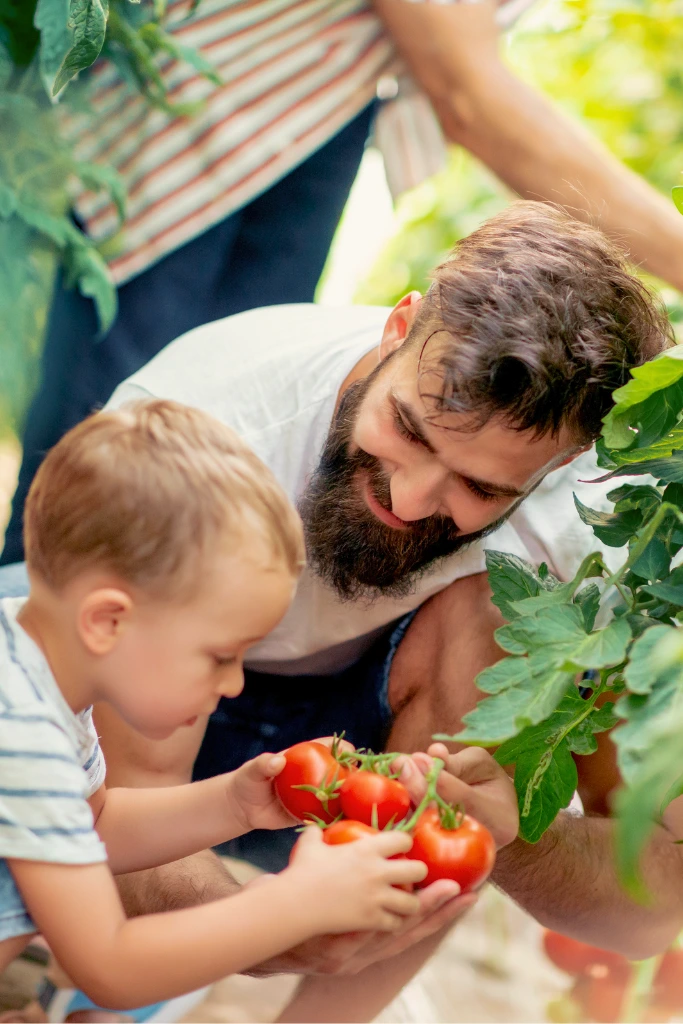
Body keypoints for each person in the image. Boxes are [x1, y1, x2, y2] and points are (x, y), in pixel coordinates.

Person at [44, 203, 682, 1023]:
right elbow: (117, 807)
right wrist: (271, 928)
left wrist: (506, 831)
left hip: (355, 741)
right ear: (398, 327)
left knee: (492, 616)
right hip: (139, 736)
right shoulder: (204, 431)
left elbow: (650, 907)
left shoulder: (597, 541)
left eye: (479, 487)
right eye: (406, 429)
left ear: (566, 461)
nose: (410, 499)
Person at [6, 0, 683, 567]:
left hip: (318, 120)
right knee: (97, 492)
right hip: (207, 114)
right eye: (411, 432)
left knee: (217, 501)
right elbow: (467, 94)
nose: (415, 499)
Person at [0, 398, 466, 1009]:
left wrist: (231, 805)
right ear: (108, 621)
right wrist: (295, 903)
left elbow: (94, 825)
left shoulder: (33, 669)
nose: (234, 684)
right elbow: (110, 964)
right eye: (220, 655)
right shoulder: (24, 736)